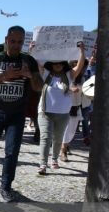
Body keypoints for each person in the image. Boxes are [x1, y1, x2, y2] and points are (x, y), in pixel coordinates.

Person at [0, 25, 42, 202]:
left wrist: (30, 75)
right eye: (13, 41)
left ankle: (6, 186)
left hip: (16, 115)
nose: (16, 45)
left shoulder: (28, 60)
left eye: (20, 42)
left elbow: (39, 87)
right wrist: (2, 76)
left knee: (12, 152)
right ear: (6, 40)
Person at [34, 43, 86, 175]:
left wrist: (82, 51)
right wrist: (33, 50)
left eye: (60, 63)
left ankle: (54, 159)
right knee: (45, 137)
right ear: (51, 64)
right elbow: (37, 62)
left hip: (63, 113)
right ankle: (42, 164)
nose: (58, 65)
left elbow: (80, 65)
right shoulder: (46, 74)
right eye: (55, 63)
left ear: (64, 64)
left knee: (58, 138)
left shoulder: (69, 75)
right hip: (45, 112)